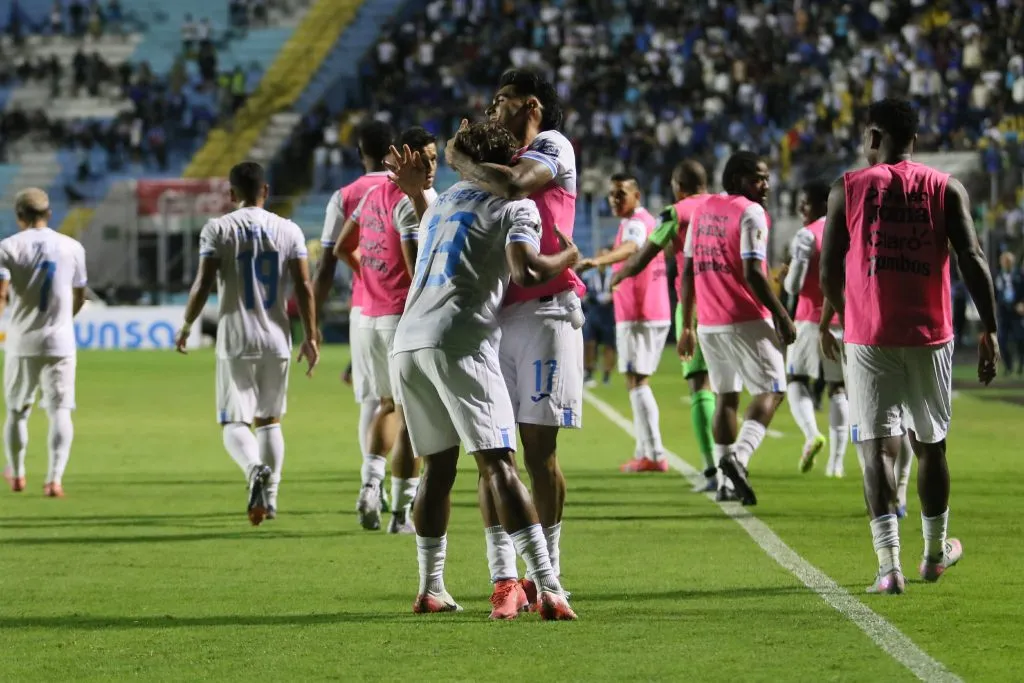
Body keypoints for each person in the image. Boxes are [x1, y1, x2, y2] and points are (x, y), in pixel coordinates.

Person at [392, 121, 576, 620]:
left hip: (407, 340)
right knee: (499, 464)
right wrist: (569, 256)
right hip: (460, 339)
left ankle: (431, 587)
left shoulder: (443, 203)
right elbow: (525, 271)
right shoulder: (516, 206)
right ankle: (549, 586)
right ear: (508, 162)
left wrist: (418, 191)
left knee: (437, 468)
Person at [819, 97, 999, 594]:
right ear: (914, 140)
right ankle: (934, 555)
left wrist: (850, 312)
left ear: (874, 137)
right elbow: (972, 258)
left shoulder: (847, 188)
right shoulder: (946, 188)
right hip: (931, 335)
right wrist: (990, 328)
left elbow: (828, 270)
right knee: (931, 447)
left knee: (877, 449)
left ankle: (888, 568)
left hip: (870, 336)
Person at [446, 69, 584, 610]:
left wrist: (456, 155)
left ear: (531, 105)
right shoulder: (493, 163)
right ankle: (503, 577)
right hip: (493, 316)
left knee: (539, 450)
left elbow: (516, 185)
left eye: (501, 100)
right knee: (492, 449)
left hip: (547, 312)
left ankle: (547, 571)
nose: (491, 109)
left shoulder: (553, 146)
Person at [175, 162, 319, 526]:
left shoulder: (218, 228)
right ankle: (271, 499)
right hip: (277, 338)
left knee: (234, 421)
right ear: (265, 191)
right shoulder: (289, 229)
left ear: (231, 193)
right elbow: (304, 286)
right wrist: (311, 335)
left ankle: (254, 468)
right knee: (270, 421)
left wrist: (187, 324)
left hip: (237, 338)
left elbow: (203, 283)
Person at [336, 126, 439, 533]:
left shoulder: (371, 196)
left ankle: (370, 483)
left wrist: (373, 278)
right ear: (404, 159)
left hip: (369, 318)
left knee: (387, 405)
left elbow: (344, 246)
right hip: (401, 319)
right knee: (413, 416)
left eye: (434, 159)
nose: (430, 167)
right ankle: (401, 513)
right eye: (424, 159)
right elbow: (417, 270)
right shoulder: (414, 202)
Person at [678, 151, 796, 505]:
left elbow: (687, 270)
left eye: (767, 178)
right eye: (757, 178)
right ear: (736, 180)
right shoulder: (751, 212)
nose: (766, 185)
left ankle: (725, 483)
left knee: (726, 397)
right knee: (773, 389)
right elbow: (754, 273)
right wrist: (781, 315)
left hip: (709, 323)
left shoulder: (702, 210)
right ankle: (739, 459)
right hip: (745, 317)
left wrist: (688, 324)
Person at [612, 160, 716, 491]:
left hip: (688, 306)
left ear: (677, 186)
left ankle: (709, 468)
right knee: (725, 391)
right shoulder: (722, 207)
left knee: (697, 386)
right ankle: (733, 462)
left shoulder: (674, 213)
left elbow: (642, 253)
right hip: (727, 305)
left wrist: (617, 273)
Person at [313, 121, 393, 517]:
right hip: (403, 308)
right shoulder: (408, 191)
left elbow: (328, 263)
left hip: (363, 309)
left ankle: (373, 486)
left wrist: (311, 322)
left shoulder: (344, 196)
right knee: (407, 404)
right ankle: (406, 493)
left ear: (360, 153)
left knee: (370, 400)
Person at [578, 173, 671, 472]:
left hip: (640, 312)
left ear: (636, 196)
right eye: (612, 194)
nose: (615, 200)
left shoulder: (636, 223)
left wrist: (598, 261)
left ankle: (654, 454)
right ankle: (645, 450)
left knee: (637, 380)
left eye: (621, 194)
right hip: (648, 310)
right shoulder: (643, 221)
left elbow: (632, 247)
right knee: (635, 380)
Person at [0, 188, 87, 497]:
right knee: (60, 410)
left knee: (16, 410)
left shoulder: (7, 247)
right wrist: (64, 320)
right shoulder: (72, 246)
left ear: (19, 216)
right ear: (48, 214)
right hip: (60, 342)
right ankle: (54, 479)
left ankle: (17, 473)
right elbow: (80, 295)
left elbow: (1, 294)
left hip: (22, 342)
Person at [783, 180, 849, 477]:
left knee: (796, 378)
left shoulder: (806, 236)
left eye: (805, 202)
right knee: (839, 388)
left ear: (823, 204)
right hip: (844, 322)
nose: (800, 208)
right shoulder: (849, 232)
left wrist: (786, 277)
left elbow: (794, 285)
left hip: (810, 320)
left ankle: (811, 435)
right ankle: (836, 464)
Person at [580, 246, 616, 387]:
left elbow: (619, 289)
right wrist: (591, 297)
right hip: (593, 311)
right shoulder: (588, 274)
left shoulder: (613, 273)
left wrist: (612, 296)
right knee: (589, 343)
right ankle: (589, 372)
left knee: (609, 345)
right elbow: (583, 292)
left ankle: (607, 374)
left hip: (608, 313)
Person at [994, 251, 1024, 374]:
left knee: (1020, 339)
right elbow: (995, 294)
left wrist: (1022, 303)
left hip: (1017, 312)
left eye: (1009, 261)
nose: (1006, 264)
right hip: (1003, 312)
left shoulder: (1019, 275)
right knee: (1002, 341)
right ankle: (1008, 366)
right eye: (1004, 261)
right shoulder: (998, 276)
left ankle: (1021, 365)